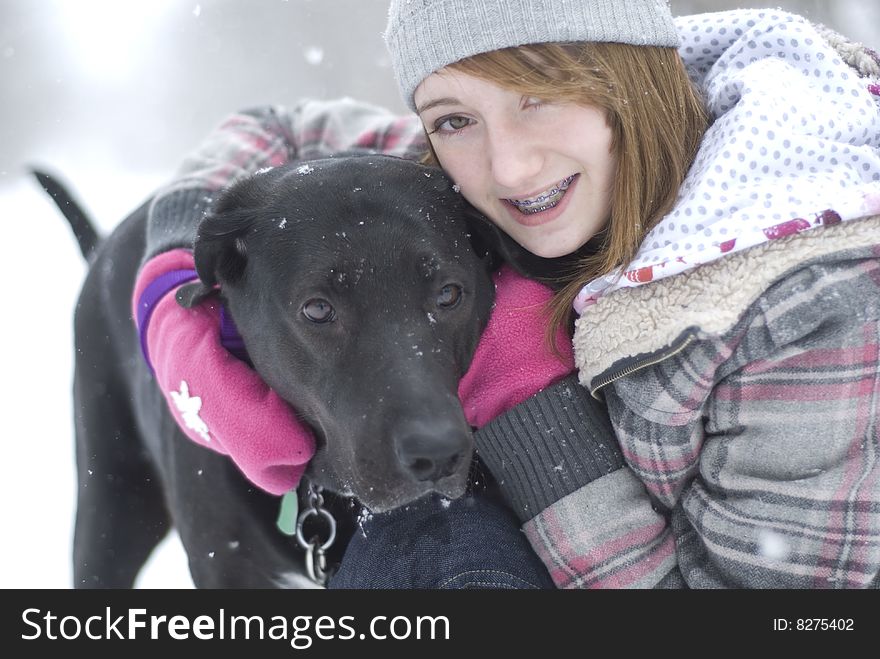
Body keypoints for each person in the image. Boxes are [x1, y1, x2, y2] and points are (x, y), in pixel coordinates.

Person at [134, 0, 880, 588]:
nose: (511, 165)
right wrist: (167, 294)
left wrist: (526, 398)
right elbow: (281, 126)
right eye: (454, 119)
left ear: (628, 78)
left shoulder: (808, 310)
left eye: (540, 95)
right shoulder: (479, 189)